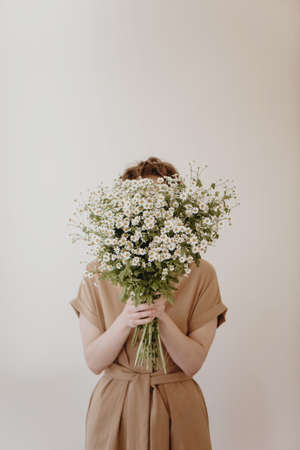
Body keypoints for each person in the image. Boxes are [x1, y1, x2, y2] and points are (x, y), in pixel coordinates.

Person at [70, 156, 228, 450]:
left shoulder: (202, 273)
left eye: (160, 201)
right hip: (114, 408)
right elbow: (94, 361)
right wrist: (126, 318)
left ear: (177, 208)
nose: (149, 210)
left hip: (180, 409)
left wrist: (161, 317)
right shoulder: (97, 272)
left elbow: (193, 363)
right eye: (139, 201)